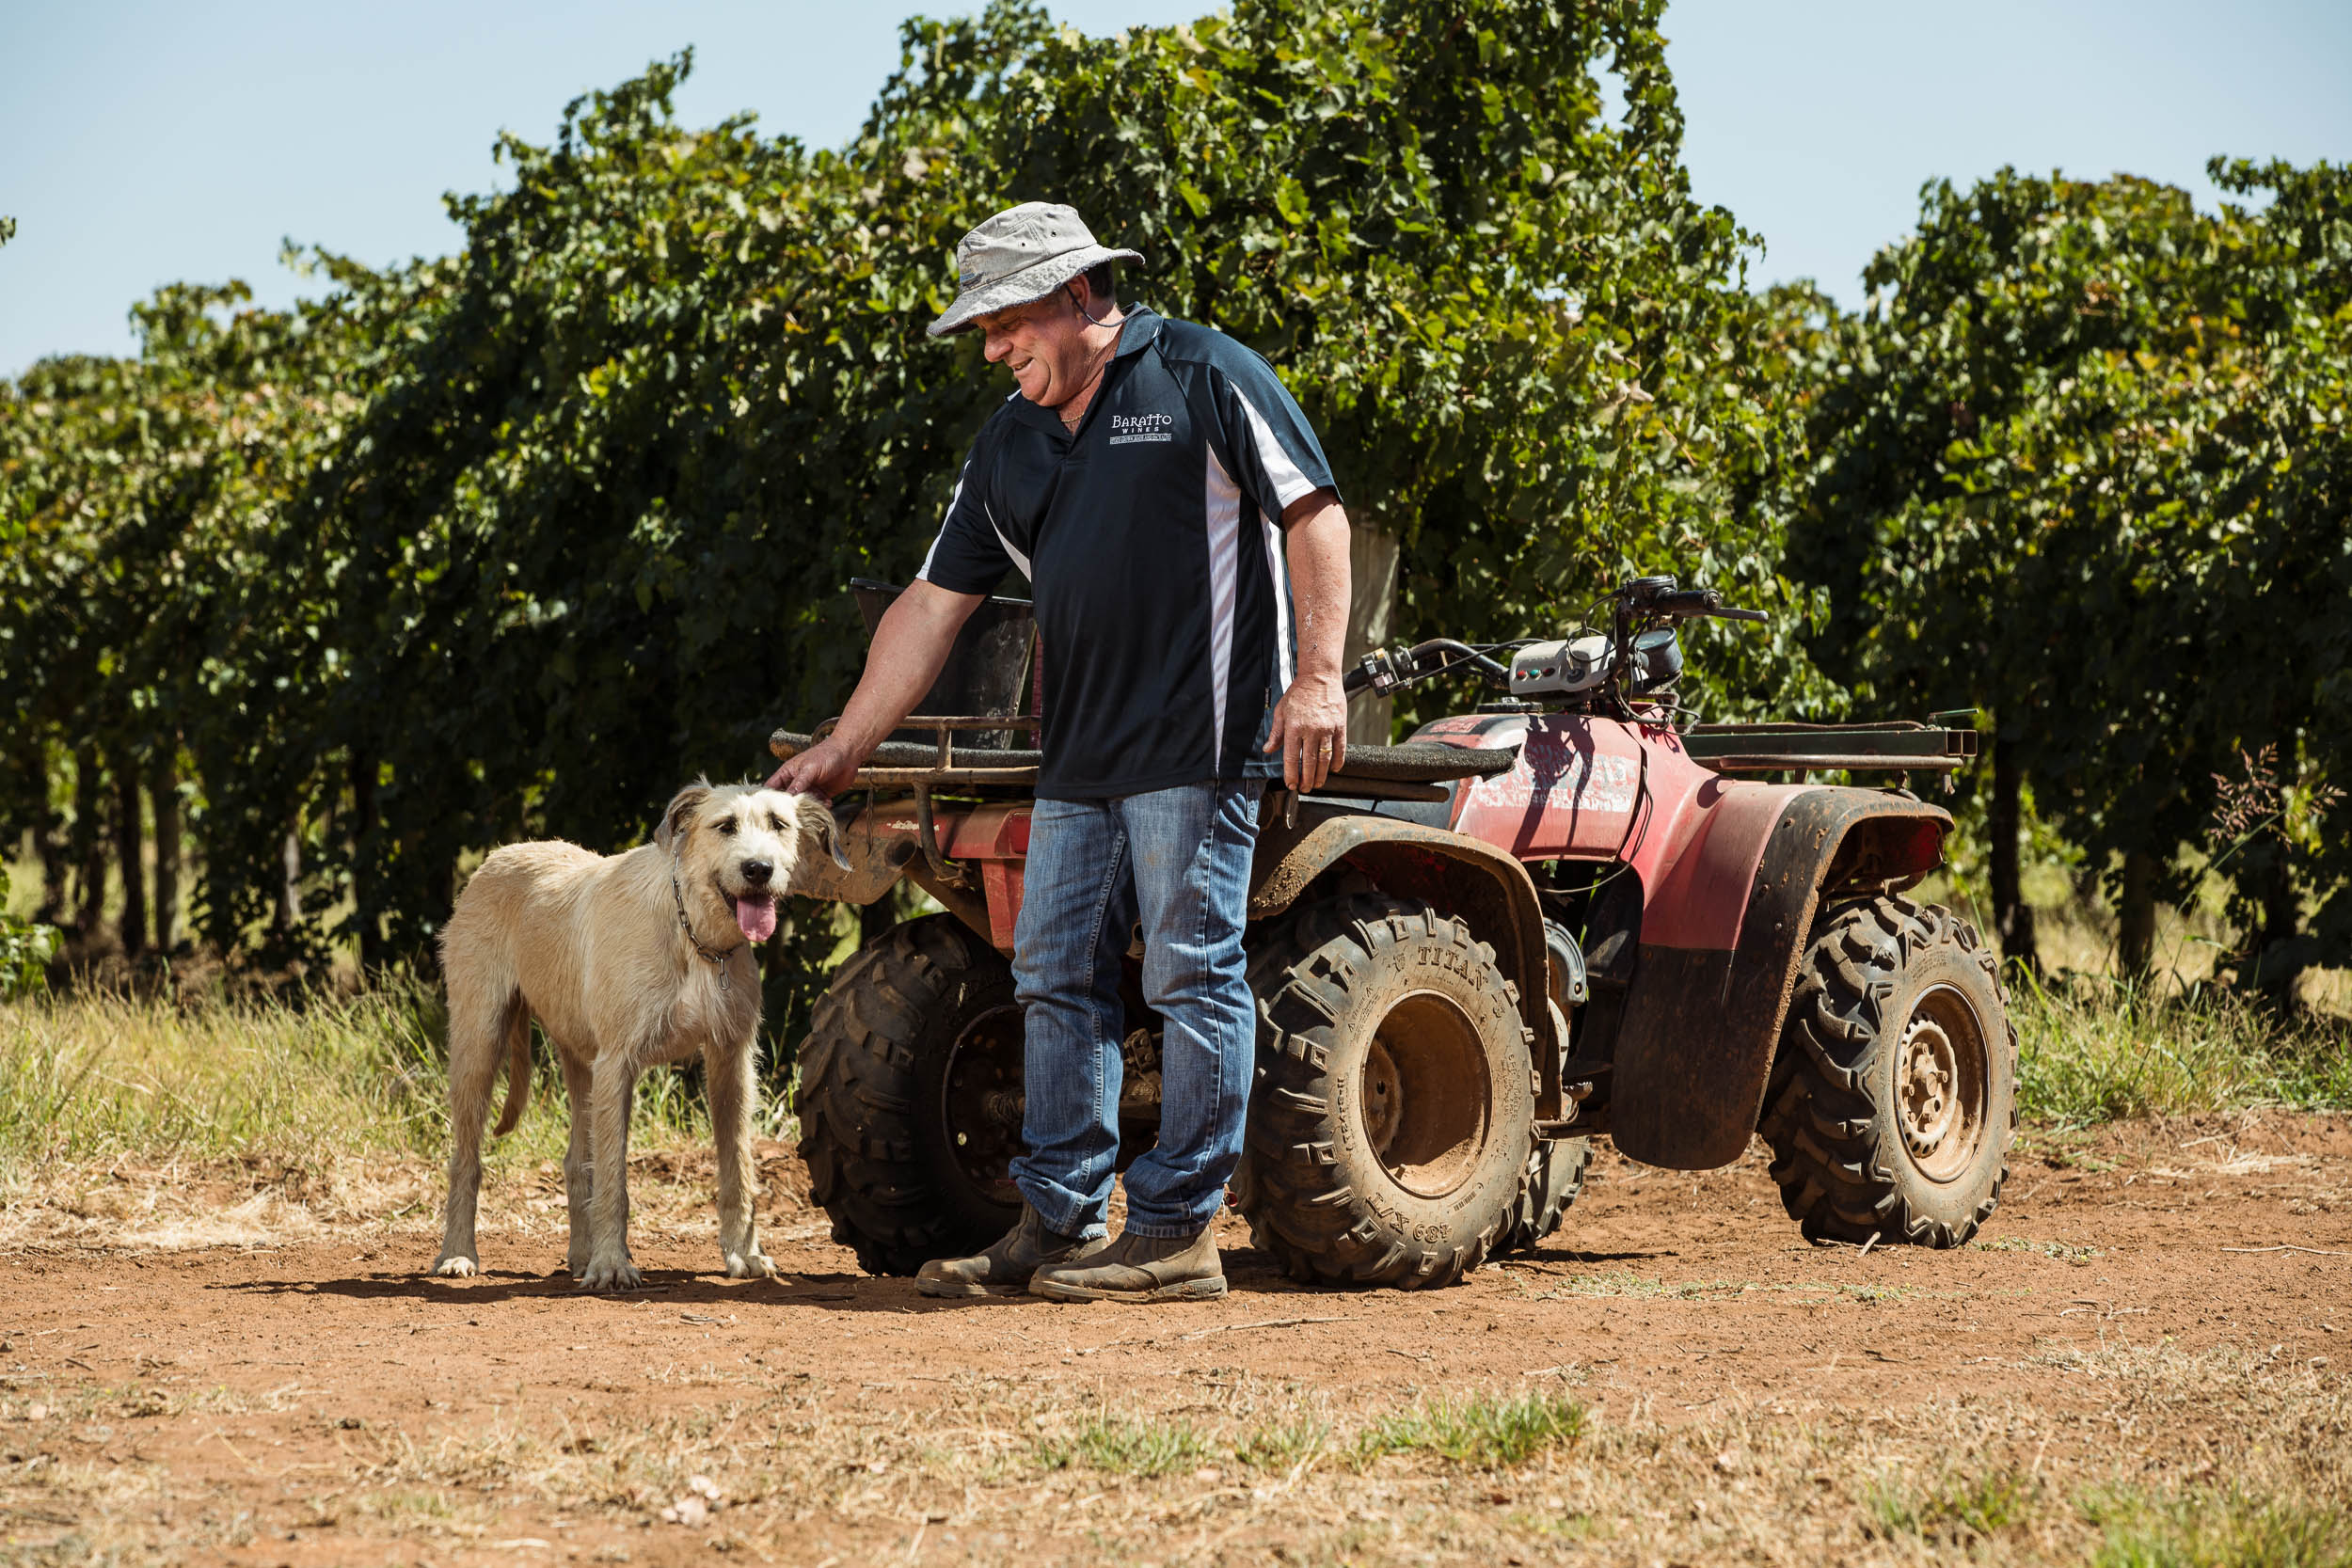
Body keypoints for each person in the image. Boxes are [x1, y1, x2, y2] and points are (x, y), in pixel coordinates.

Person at [770, 201, 1350, 1303]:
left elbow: (1314, 513)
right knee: (1053, 976)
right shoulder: (1011, 441)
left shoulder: (1204, 373)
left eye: (1004, 321)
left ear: (1080, 294)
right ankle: (1059, 1220)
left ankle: (1178, 1229)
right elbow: (932, 604)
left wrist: (1314, 681)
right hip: (1077, 756)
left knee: (1188, 972)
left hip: (1204, 739)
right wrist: (849, 742)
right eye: (983, 331)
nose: (992, 349)